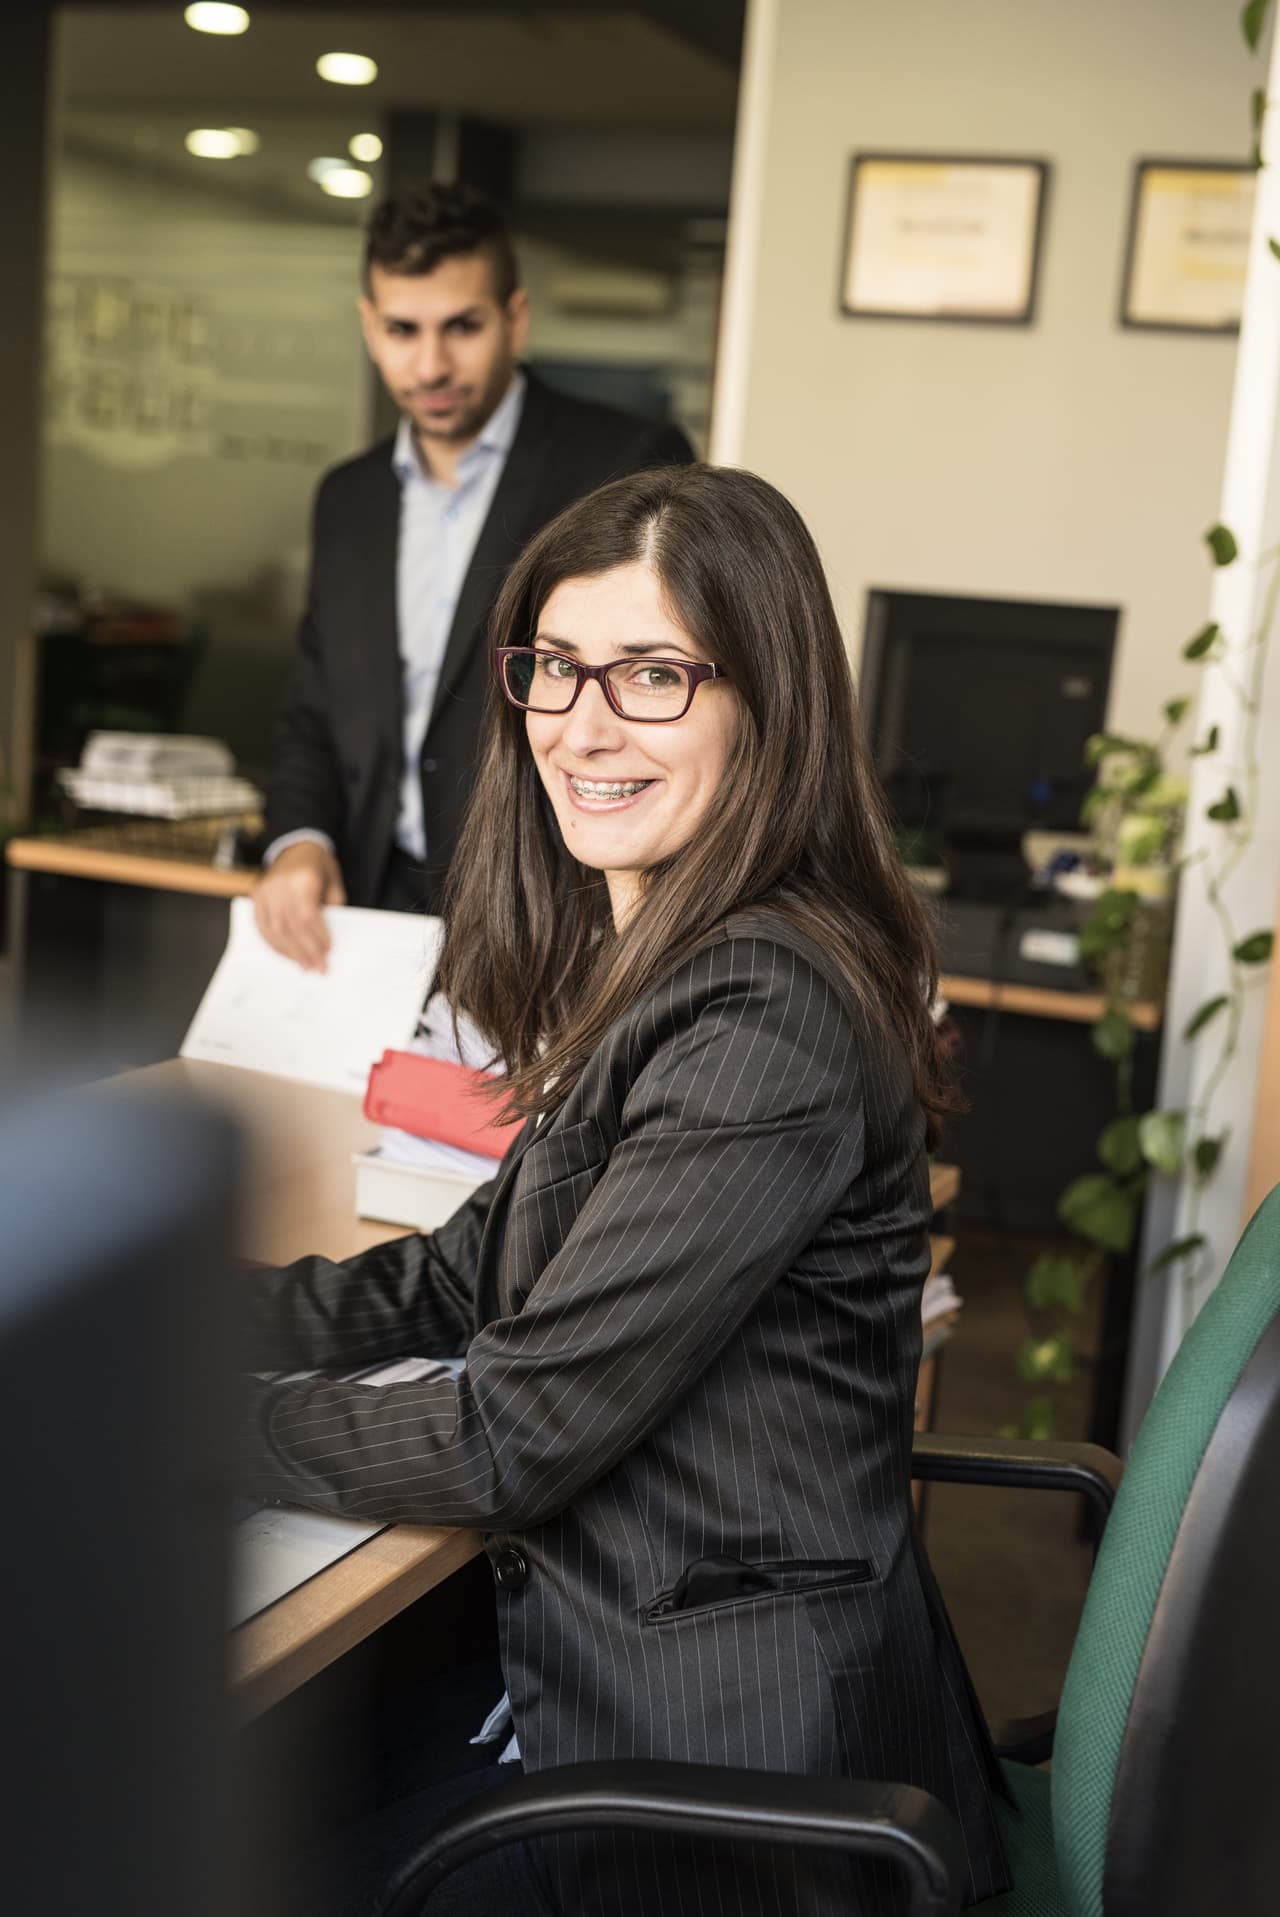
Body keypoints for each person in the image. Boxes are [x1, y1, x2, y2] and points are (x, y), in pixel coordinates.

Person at [238, 464, 1012, 1915]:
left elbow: (510, 1433)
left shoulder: (766, 1012)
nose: (583, 726)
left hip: (717, 1774)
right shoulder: (672, 959)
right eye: (557, 668)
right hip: (614, 1656)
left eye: (654, 673)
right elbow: (467, 1275)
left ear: (763, 704)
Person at [255, 181, 694, 969]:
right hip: (366, 911)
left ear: (515, 318)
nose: (430, 363)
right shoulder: (347, 499)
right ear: (369, 326)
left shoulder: (621, 463)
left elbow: (653, 697)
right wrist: (299, 839)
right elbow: (312, 710)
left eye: (461, 326)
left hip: (550, 916)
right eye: (402, 329)